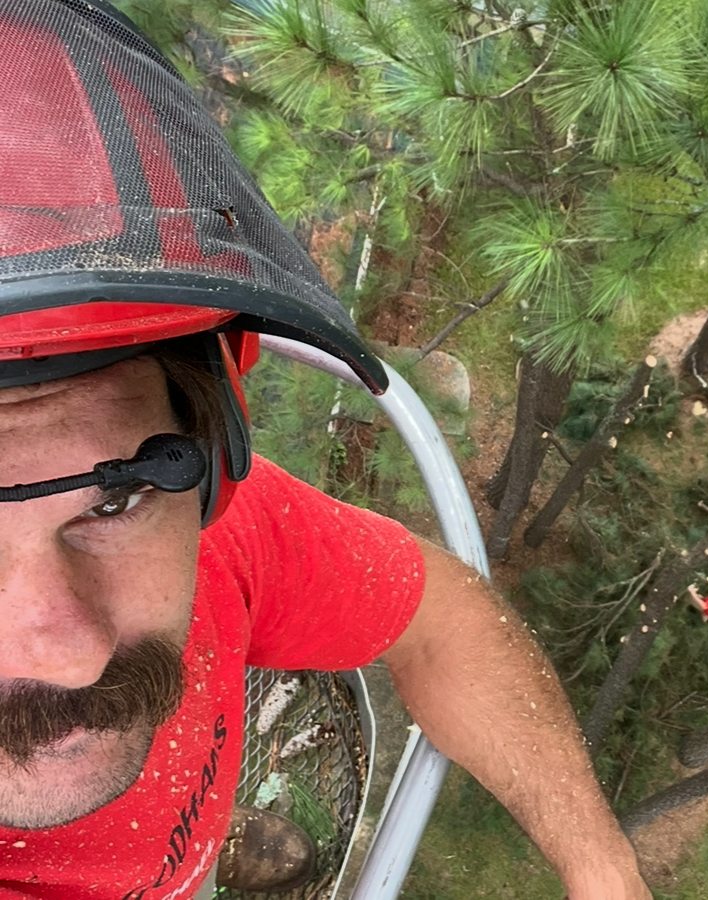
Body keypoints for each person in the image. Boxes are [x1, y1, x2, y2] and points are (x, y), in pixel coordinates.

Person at [0, 1, 649, 897]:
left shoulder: (216, 537)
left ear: (214, 465)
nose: (67, 653)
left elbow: (442, 622)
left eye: (113, 499)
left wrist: (602, 871)